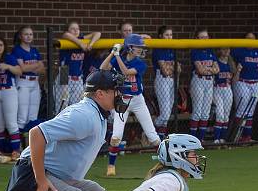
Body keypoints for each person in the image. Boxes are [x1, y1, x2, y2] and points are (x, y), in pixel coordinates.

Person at [101, 34, 161, 176]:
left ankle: (166, 162)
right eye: (138, 47)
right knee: (116, 136)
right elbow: (103, 68)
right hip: (122, 99)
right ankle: (111, 166)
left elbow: (127, 72)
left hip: (137, 100)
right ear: (129, 48)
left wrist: (117, 57)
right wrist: (112, 53)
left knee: (153, 136)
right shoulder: (118, 59)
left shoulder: (140, 63)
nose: (141, 49)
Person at [59, 20, 101, 110]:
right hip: (64, 75)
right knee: (62, 106)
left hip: (78, 77)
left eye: (77, 29)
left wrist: (91, 44)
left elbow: (97, 33)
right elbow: (65, 35)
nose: (76, 31)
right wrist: (81, 44)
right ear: (68, 30)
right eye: (72, 29)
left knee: (76, 107)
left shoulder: (82, 38)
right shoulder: (66, 39)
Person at [11, 26, 45, 134]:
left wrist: (30, 67)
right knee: (22, 115)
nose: (29, 36)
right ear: (21, 36)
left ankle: (30, 143)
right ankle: (19, 143)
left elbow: (43, 69)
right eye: (26, 34)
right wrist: (36, 65)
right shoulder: (17, 50)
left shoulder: (34, 50)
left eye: (31, 34)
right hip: (23, 82)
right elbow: (22, 69)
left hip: (35, 82)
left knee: (33, 116)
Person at [189, 27, 218, 140]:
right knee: (197, 111)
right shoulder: (195, 51)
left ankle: (200, 140)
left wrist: (207, 69)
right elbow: (200, 70)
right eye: (202, 37)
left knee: (206, 112)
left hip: (209, 82)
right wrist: (210, 69)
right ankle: (192, 140)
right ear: (197, 39)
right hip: (198, 81)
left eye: (206, 37)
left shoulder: (211, 51)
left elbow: (217, 69)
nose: (205, 39)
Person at [151, 25, 181, 140]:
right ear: (160, 36)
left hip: (172, 80)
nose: (169, 37)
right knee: (165, 113)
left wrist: (171, 67)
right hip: (162, 80)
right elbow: (165, 70)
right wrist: (172, 66)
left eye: (171, 35)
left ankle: (160, 138)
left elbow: (178, 69)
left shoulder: (172, 48)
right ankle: (152, 128)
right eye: (166, 35)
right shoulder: (158, 49)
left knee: (167, 114)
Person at [212, 47, 238, 143]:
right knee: (219, 114)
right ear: (219, 50)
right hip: (217, 88)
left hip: (228, 89)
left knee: (226, 115)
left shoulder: (231, 63)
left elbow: (234, 81)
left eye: (228, 49)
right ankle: (216, 139)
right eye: (223, 49)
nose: (226, 51)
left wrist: (238, 71)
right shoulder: (216, 62)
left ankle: (222, 138)